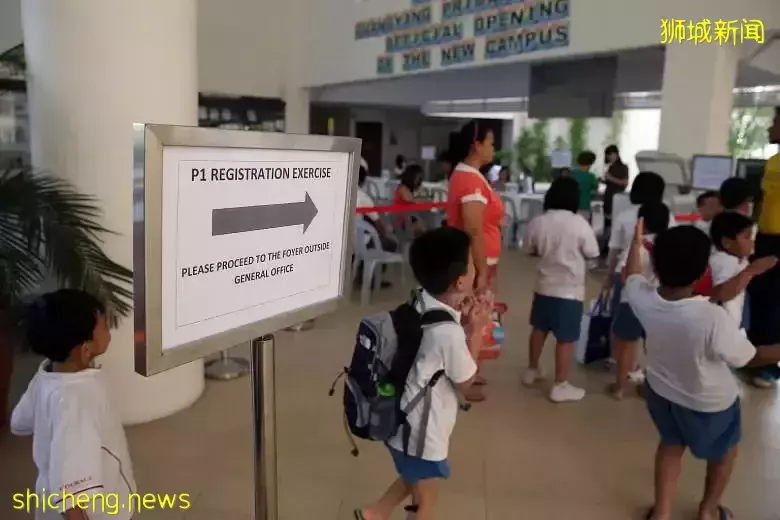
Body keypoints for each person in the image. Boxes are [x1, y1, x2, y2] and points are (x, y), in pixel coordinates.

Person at [623, 223, 780, 520]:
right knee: (724, 454)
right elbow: (750, 357)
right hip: (708, 403)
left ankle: (661, 513)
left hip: (661, 392)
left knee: (670, 445)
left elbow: (631, 274)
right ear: (701, 274)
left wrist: (635, 242)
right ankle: (708, 510)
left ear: (655, 266)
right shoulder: (711, 317)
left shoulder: (641, 296)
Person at [355, 228, 491, 520]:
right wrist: (476, 331)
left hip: (401, 418)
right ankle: (376, 513)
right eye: (471, 264)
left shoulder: (419, 299)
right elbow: (466, 383)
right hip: (420, 432)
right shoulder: (448, 334)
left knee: (413, 480)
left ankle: (375, 513)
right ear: (459, 281)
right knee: (426, 499)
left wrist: (462, 318)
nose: (475, 269)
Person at [10, 290, 136, 520]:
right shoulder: (78, 399)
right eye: (105, 326)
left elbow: (20, 421)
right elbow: (72, 494)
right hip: (92, 510)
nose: (109, 330)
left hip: (49, 497)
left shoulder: (47, 374)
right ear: (85, 349)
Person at [522, 177, 600, 403]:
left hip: (543, 286)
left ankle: (532, 369)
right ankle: (560, 385)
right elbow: (592, 252)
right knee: (566, 338)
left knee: (539, 329)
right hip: (569, 291)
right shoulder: (579, 223)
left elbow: (529, 248)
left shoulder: (538, 221)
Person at [445, 121, 504, 402]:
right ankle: (464, 379)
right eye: (490, 143)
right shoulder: (469, 179)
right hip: (473, 262)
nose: (493, 148)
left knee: (471, 317)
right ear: (476, 145)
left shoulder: (470, 176)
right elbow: (473, 228)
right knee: (471, 319)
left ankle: (469, 371)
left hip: (476, 261)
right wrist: (480, 271)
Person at [609, 202, 671, 399]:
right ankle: (651, 386)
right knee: (653, 347)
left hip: (632, 301)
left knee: (627, 345)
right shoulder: (667, 245)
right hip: (659, 302)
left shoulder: (638, 244)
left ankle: (620, 387)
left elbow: (624, 274)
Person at [603, 172, 670, 325]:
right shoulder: (668, 216)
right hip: (657, 276)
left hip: (626, 272)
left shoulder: (624, 216)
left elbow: (614, 250)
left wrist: (609, 276)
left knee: (621, 322)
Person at [748, 106, 780, 389]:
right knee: (758, 296)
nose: (770, 128)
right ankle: (754, 358)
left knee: (775, 303)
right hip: (765, 238)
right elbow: (762, 201)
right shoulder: (772, 162)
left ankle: (769, 366)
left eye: (775, 123)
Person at [602, 144, 630, 237]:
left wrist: (610, 178)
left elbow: (625, 183)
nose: (609, 157)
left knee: (613, 225)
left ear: (616, 154)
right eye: (608, 155)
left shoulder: (623, 167)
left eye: (611, 154)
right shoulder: (611, 167)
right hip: (608, 197)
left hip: (616, 199)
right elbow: (611, 183)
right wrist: (603, 180)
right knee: (607, 223)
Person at [570, 151, 599, 221]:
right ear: (590, 163)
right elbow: (594, 192)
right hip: (585, 206)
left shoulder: (571, 174)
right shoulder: (591, 177)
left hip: (571, 206)